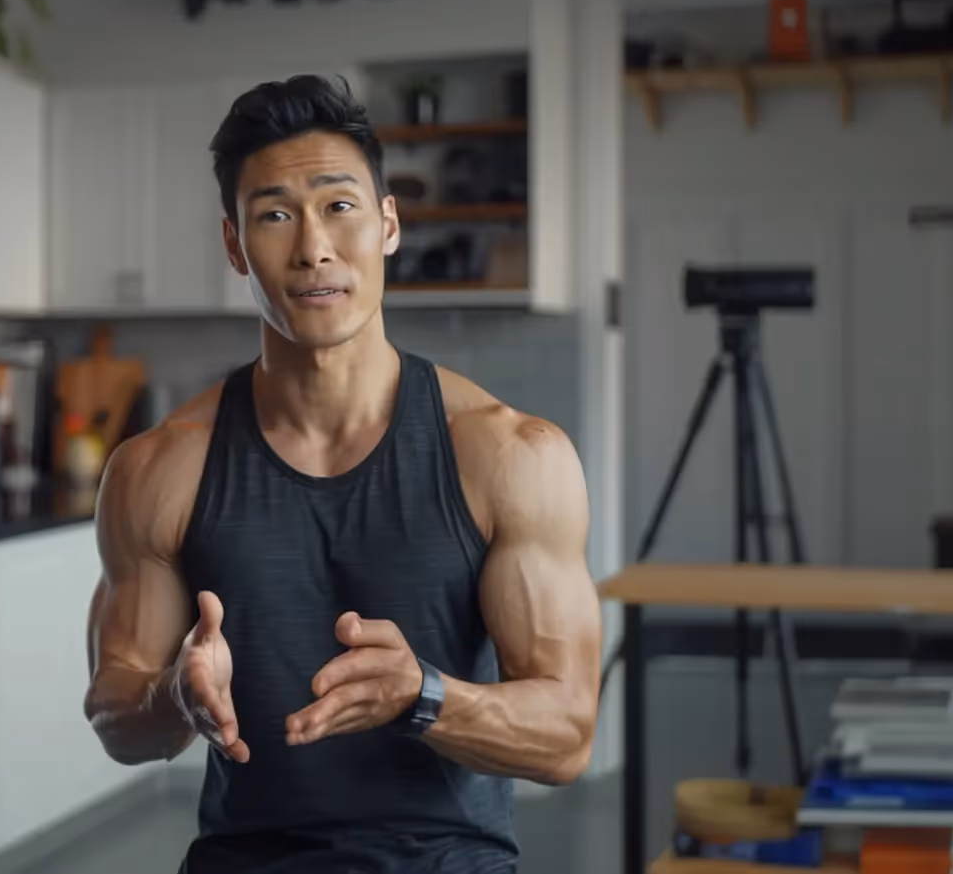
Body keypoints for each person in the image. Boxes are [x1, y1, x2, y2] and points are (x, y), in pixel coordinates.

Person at [82, 74, 602, 873]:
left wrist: (425, 695)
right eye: (276, 215)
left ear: (388, 223)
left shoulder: (509, 455)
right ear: (235, 246)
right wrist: (173, 699)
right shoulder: (159, 469)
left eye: (340, 206)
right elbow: (116, 713)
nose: (314, 247)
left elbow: (567, 734)